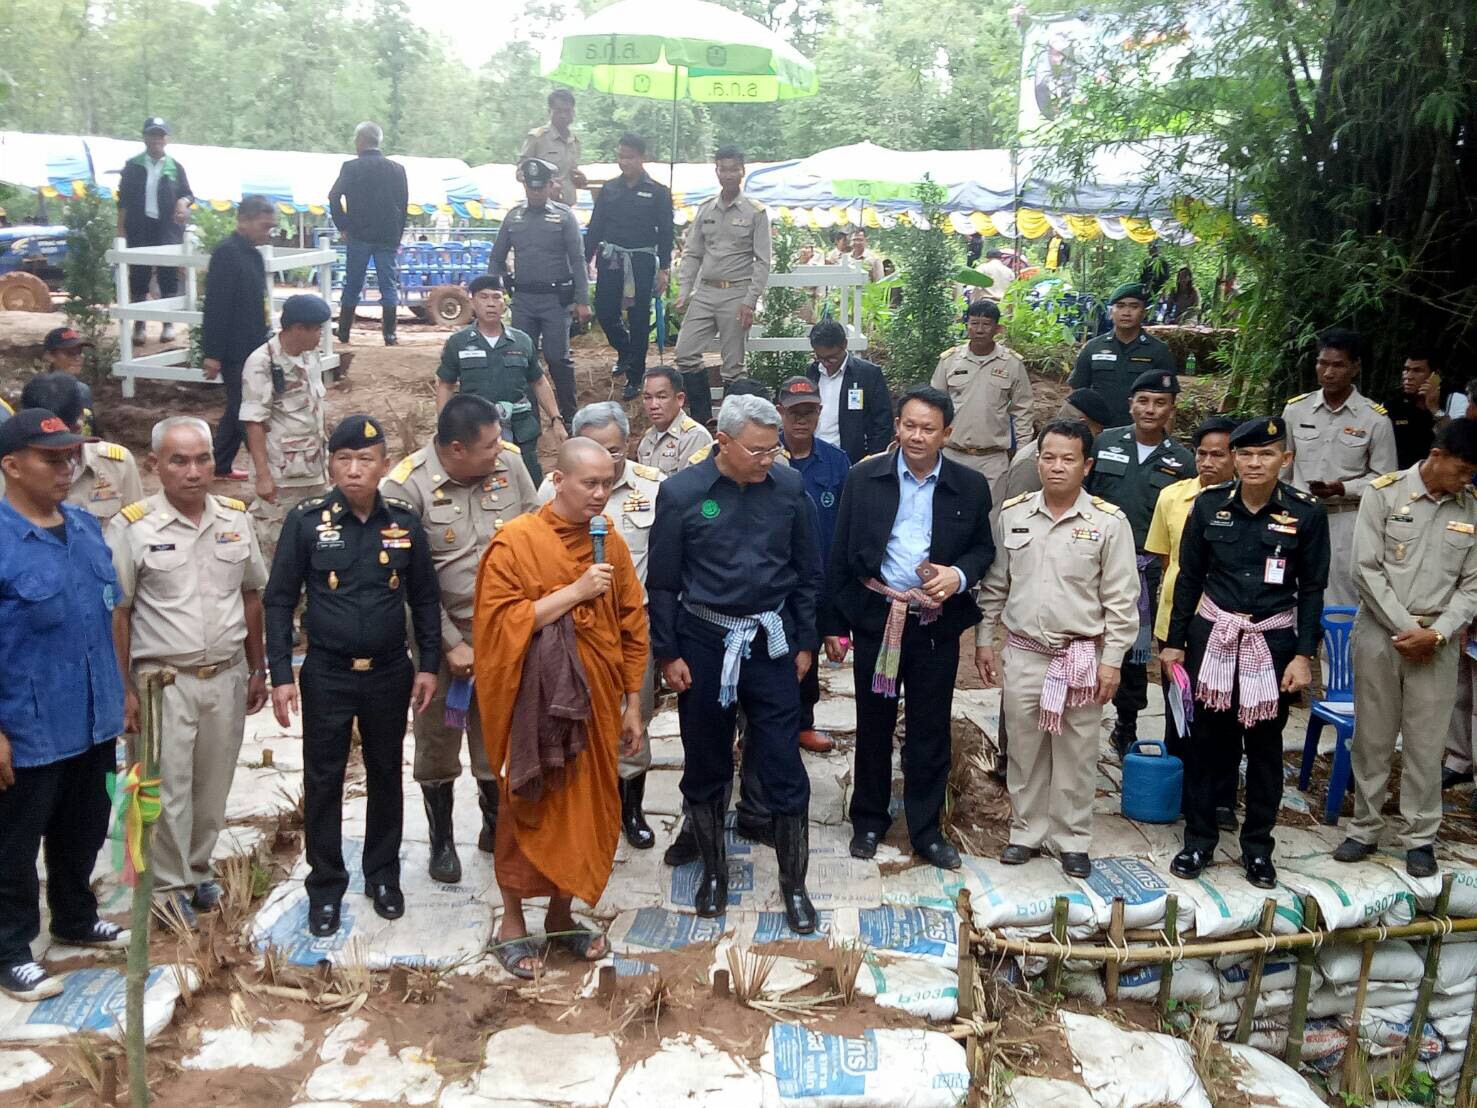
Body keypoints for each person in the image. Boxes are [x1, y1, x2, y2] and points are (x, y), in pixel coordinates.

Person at [474, 438, 647, 977]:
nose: (600, 494)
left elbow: (631, 621)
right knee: (526, 802)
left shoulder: (608, 539)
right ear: (557, 480)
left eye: (607, 483)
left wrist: (633, 703)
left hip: (595, 702)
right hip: (535, 704)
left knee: (583, 810)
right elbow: (498, 627)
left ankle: (560, 916)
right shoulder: (516, 542)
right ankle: (511, 924)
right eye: (589, 483)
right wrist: (574, 592)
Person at [648, 394, 822, 931]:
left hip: (771, 643)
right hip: (704, 643)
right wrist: (669, 652)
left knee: (783, 761)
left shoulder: (788, 488)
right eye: (757, 451)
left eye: (774, 450)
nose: (769, 459)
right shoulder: (682, 494)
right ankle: (714, 874)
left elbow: (807, 572)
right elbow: (663, 582)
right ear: (722, 442)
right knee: (706, 760)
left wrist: (805, 643)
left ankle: (794, 885)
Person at [264, 415, 439, 936]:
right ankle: (325, 887)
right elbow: (278, 600)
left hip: (389, 671)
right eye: (344, 459)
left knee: (387, 773)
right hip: (327, 672)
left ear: (384, 465)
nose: (355, 469)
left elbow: (424, 599)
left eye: (365, 459)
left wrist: (429, 665)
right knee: (323, 778)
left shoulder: (404, 522)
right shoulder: (306, 522)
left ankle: (382, 876)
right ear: (330, 465)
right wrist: (281, 673)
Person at [824, 386, 994, 868]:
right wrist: (833, 623)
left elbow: (983, 548)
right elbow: (839, 550)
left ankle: (925, 829)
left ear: (947, 434)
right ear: (897, 426)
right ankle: (869, 819)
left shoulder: (969, 485)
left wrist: (957, 576)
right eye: (910, 425)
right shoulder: (865, 477)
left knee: (929, 727)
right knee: (874, 722)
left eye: (928, 428)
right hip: (879, 618)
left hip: (936, 623)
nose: (917, 436)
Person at [108, 417, 268, 927]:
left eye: (203, 459)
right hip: (163, 681)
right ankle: (165, 886)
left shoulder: (235, 519)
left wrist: (258, 667)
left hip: (226, 675)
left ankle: (197, 872)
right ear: (155, 465)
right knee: (163, 788)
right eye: (179, 461)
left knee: (212, 785)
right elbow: (118, 612)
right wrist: (123, 689)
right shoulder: (133, 527)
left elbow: (251, 595)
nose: (194, 471)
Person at [1162, 418, 1329, 888]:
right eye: (1247, 454)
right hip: (1213, 637)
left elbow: (1312, 589)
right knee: (1205, 744)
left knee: (1264, 749)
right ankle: (1199, 839)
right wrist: (1174, 642)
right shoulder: (1210, 505)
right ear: (1235, 459)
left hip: (1271, 642)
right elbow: (1189, 577)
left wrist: (1303, 655)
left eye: (1267, 454)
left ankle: (1257, 847)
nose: (1255, 463)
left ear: (1285, 459)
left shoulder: (1306, 512)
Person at [0, 409, 128, 1002]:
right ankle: (10, 950)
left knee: (84, 827)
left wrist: (122, 692)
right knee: (14, 844)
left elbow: (110, 614)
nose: (67, 469)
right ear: (11, 465)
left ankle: (75, 916)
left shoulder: (82, 526)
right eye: (51, 459)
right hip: (29, 724)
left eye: (71, 457)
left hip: (93, 715)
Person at [382, 395, 537, 881]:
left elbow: (537, 534)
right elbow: (406, 583)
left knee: (498, 737)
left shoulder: (510, 465)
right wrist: (449, 643)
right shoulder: (404, 487)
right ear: (456, 449)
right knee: (438, 739)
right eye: (489, 445)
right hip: (438, 638)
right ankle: (442, 839)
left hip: (506, 632)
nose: (500, 450)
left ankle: (496, 825)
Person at [977, 420, 1139, 877]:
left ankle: (1071, 838)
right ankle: (1025, 832)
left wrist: (1113, 662)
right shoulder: (1015, 515)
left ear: (1086, 466)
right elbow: (996, 584)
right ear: (1037, 461)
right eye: (1048, 457)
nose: (1057, 467)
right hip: (1026, 652)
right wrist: (985, 639)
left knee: (1076, 751)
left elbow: (1122, 600)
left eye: (1068, 459)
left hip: (1081, 656)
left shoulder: (1108, 523)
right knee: (1024, 748)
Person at [1334, 420, 1477, 877]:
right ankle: (1364, 828)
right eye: (1462, 469)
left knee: (1426, 743)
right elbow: (1365, 569)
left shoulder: (1472, 508)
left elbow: (1472, 586)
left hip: (1438, 641)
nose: (1466, 479)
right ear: (1437, 456)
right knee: (1373, 738)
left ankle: (1420, 837)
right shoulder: (1384, 494)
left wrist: (1437, 634)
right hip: (1381, 634)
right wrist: (1407, 629)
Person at [534, 404, 665, 848]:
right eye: (593, 452)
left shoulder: (653, 486)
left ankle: (631, 809)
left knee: (634, 717)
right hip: (565, 629)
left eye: (613, 451)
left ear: (627, 443)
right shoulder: (549, 490)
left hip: (629, 625)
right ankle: (581, 808)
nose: (604, 464)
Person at [1086, 371, 1197, 755]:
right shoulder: (1105, 443)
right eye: (1143, 401)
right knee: (1081, 635)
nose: (1150, 409)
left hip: (1144, 568)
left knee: (1132, 648)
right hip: (1092, 558)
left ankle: (1126, 724)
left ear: (1172, 409)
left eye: (1160, 403)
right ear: (1130, 404)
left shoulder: (1182, 460)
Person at [1144, 416, 1238, 788]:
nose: (1208, 462)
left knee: (1222, 708)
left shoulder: (1246, 501)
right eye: (1202, 454)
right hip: (1176, 619)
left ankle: (1220, 792)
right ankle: (1177, 787)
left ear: (1235, 456)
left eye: (1218, 454)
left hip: (1226, 621)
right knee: (1178, 705)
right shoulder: (1172, 497)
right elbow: (1167, 558)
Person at [1280, 328, 1397, 607]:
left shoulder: (1374, 419)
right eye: (1322, 363)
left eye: (1338, 365)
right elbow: (1282, 467)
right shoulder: (1295, 410)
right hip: (1295, 516)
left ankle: (1337, 639)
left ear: (1355, 367)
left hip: (1345, 520)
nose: (1328, 372)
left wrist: (1342, 488)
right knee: (1287, 591)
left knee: (1341, 597)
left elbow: (1386, 479)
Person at [777, 377, 851, 754]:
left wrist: (839, 617)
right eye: (794, 413)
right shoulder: (764, 455)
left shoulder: (837, 462)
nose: (801, 420)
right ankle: (753, 728)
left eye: (809, 412)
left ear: (820, 413)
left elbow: (848, 527)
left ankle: (803, 724)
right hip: (774, 579)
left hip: (819, 578)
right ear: (780, 413)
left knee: (808, 652)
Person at [435, 274, 566, 486]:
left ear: (504, 303)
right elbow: (446, 385)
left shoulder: (522, 341)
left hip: (520, 428)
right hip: (476, 430)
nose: (491, 304)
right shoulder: (458, 342)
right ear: (472, 302)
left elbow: (539, 382)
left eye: (496, 297)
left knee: (529, 483)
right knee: (481, 484)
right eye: (484, 297)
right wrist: (444, 426)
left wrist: (556, 419)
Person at [674, 146, 772, 427]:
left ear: (742, 171)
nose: (728, 175)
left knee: (733, 367)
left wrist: (750, 300)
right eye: (723, 169)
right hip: (705, 291)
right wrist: (684, 290)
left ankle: (731, 426)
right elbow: (692, 253)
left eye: (733, 169)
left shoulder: (755, 212)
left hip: (737, 293)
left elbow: (763, 261)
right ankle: (702, 421)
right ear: (716, 171)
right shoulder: (706, 209)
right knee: (685, 353)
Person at [492, 158, 591, 423]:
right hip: (523, 299)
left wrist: (583, 300)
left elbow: (578, 259)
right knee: (522, 357)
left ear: (550, 186)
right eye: (530, 187)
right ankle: (529, 418)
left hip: (555, 299)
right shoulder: (513, 217)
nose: (535, 193)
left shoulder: (564, 217)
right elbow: (496, 258)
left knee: (557, 357)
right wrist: (497, 290)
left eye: (539, 187)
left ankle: (570, 417)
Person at [240, 294, 333, 563]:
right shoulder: (262, 362)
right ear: (297, 328)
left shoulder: (310, 356)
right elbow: (254, 422)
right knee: (276, 542)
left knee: (317, 536)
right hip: (282, 474)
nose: (320, 335)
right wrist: (263, 476)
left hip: (315, 469)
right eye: (315, 329)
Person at [586, 134, 673, 390]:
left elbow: (666, 232)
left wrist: (664, 268)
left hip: (641, 262)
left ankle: (636, 376)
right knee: (605, 310)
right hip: (611, 259)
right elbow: (595, 226)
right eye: (621, 156)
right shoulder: (609, 189)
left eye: (630, 157)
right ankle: (625, 351)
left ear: (642, 158)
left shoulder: (658, 191)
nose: (624, 162)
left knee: (638, 318)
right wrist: (585, 259)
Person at [931, 300, 1034, 505]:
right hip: (952, 454)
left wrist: (1021, 452)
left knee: (990, 516)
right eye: (974, 323)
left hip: (993, 459)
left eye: (986, 324)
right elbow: (934, 406)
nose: (979, 330)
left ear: (997, 328)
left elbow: (1023, 410)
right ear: (966, 325)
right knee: (948, 511)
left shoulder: (1011, 363)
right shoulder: (950, 361)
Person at [202, 196, 275, 482]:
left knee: (238, 406)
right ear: (243, 221)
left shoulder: (254, 256)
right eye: (264, 226)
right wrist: (213, 353)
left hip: (255, 344)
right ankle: (265, 468)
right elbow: (217, 306)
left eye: (271, 227)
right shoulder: (226, 254)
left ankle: (220, 463)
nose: (268, 233)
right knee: (245, 407)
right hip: (233, 349)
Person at [11, 374, 142, 527]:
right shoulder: (10, 469)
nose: (64, 468)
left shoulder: (116, 463)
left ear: (77, 427)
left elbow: (136, 528)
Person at [328, 122, 409, 347]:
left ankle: (344, 332)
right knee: (388, 284)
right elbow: (403, 206)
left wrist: (343, 226)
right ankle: (390, 335)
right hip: (388, 236)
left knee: (353, 283)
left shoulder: (350, 168)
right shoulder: (397, 169)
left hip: (359, 234)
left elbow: (333, 196)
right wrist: (397, 234)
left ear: (360, 141)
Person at [116, 117, 193, 345]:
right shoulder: (132, 166)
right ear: (145, 137)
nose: (156, 139)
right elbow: (123, 201)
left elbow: (189, 193)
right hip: (140, 227)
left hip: (167, 228)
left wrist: (183, 203)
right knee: (139, 275)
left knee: (168, 275)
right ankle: (139, 325)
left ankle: (168, 324)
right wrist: (120, 229)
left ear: (166, 139)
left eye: (160, 135)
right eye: (152, 134)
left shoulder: (175, 167)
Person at [1068, 283, 1178, 428]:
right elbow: (1077, 392)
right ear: (1111, 312)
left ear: (1143, 312)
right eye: (1120, 306)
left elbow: (1168, 400)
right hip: (1098, 429)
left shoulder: (1158, 350)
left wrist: (1164, 439)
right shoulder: (1093, 348)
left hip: (1141, 431)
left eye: (1134, 306)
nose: (1126, 312)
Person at [998, 388, 1111, 504]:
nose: (1097, 439)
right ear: (1083, 424)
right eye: (1096, 433)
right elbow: (1020, 511)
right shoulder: (1029, 462)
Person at [805, 319, 893, 464]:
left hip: (853, 459)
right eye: (820, 358)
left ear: (844, 344)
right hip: (815, 456)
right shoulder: (812, 373)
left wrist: (872, 459)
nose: (826, 364)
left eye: (832, 358)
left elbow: (882, 423)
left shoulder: (868, 374)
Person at [518, 88, 587, 208]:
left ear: (573, 112)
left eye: (567, 111)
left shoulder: (574, 141)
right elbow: (521, 172)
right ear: (550, 111)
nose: (563, 116)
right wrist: (542, 188)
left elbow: (571, 174)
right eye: (558, 111)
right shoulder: (537, 138)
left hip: (566, 206)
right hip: (542, 207)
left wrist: (581, 180)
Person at [636, 366, 712, 475]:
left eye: (662, 397)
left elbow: (690, 484)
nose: (653, 405)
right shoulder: (647, 439)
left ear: (680, 399)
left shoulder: (694, 437)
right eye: (648, 397)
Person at [1388, 349, 1444, 468]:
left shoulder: (1451, 400)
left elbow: (1454, 442)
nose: (1408, 376)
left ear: (1435, 375)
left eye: (1417, 371)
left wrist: (1434, 408)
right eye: (1406, 370)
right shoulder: (1392, 406)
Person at [41, 327, 100, 436]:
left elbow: (93, 431)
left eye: (79, 352)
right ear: (49, 356)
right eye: (70, 352)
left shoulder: (83, 390)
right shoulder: (40, 393)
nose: (77, 358)